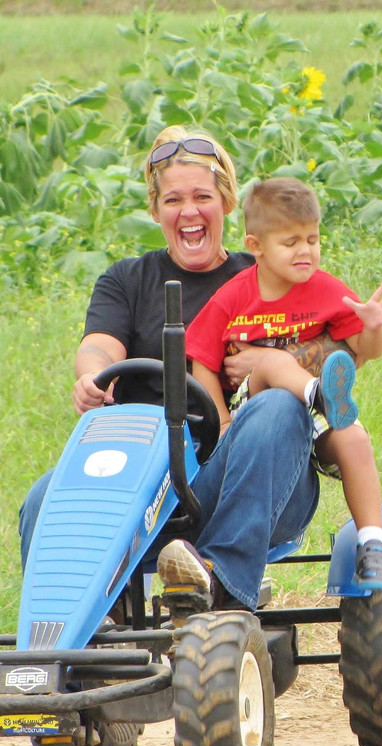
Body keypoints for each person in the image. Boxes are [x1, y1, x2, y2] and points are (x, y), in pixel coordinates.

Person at [18, 125, 347, 612]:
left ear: (227, 203)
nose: (189, 212)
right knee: (45, 497)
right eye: (173, 200)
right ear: (155, 211)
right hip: (147, 485)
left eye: (201, 197)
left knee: (278, 405)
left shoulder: (266, 277)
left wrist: (273, 361)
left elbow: (336, 352)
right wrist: (92, 376)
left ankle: (218, 587)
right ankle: (79, 635)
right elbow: (98, 348)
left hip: (248, 470)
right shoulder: (127, 281)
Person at [183, 177, 382, 594]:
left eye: (313, 239)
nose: (305, 251)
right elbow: (202, 362)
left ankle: (373, 547)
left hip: (312, 419)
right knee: (272, 362)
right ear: (257, 246)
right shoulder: (233, 297)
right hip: (255, 410)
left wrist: (373, 327)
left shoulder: (327, 290)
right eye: (291, 243)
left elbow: (366, 350)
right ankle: (318, 392)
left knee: (355, 438)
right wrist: (224, 421)